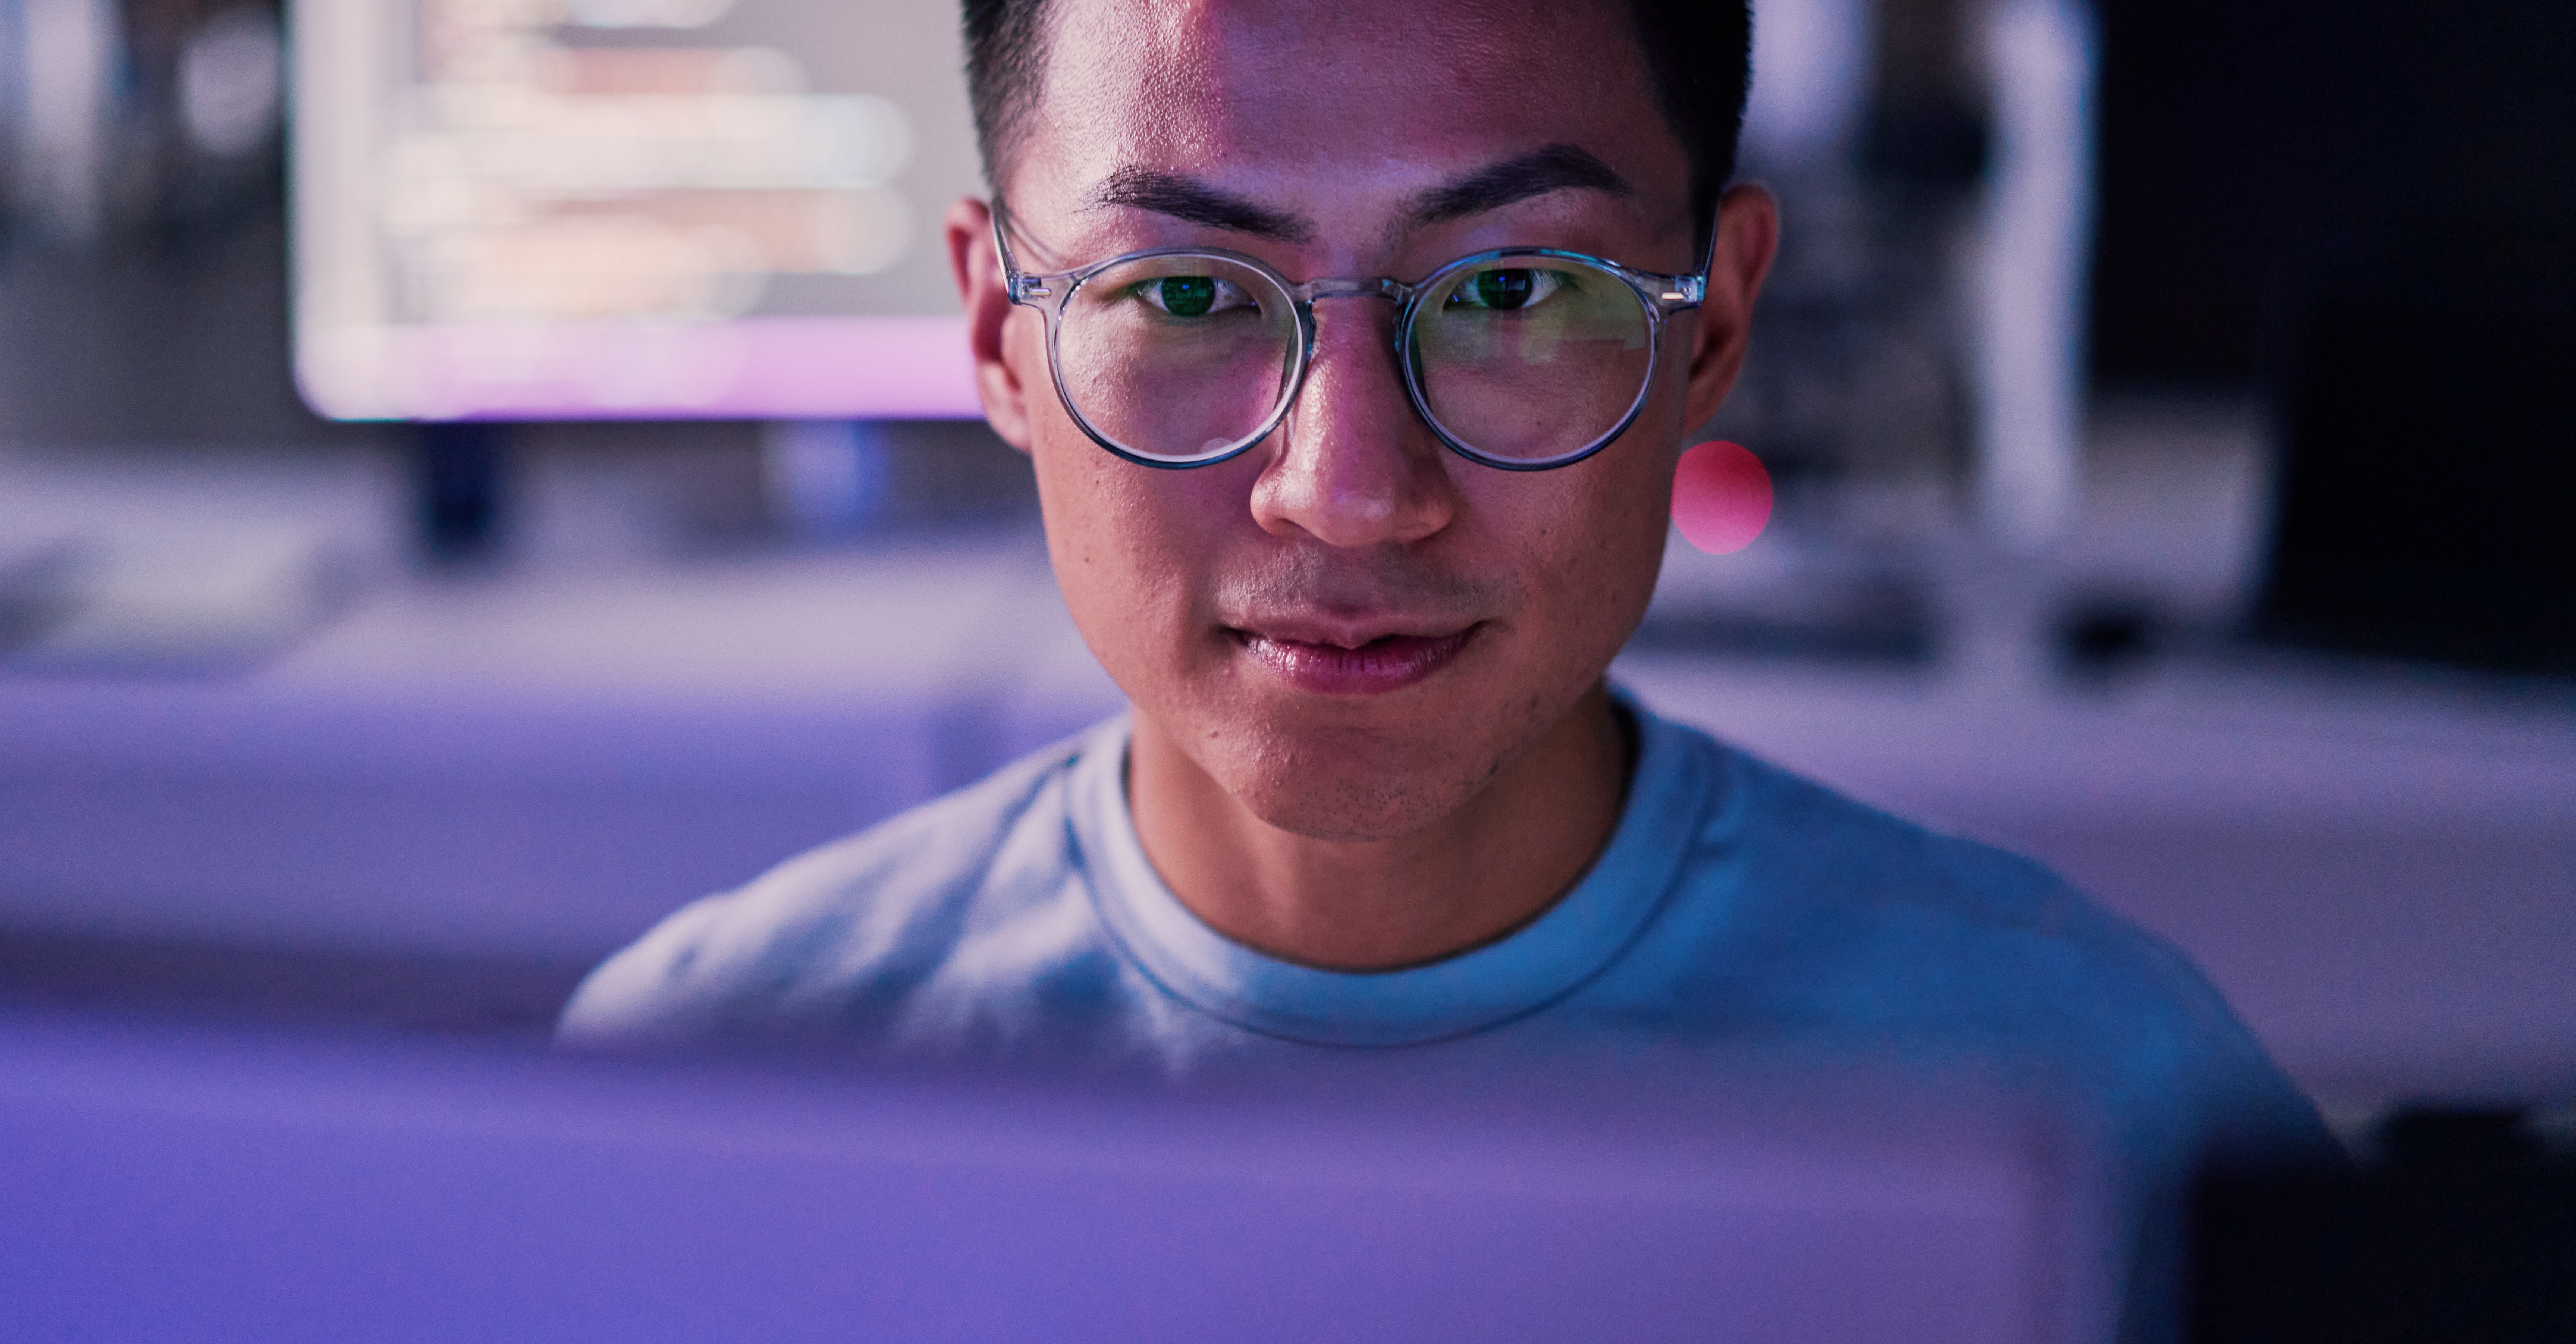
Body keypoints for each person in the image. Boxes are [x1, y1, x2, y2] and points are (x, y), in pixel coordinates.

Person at [562, 0, 2331, 1332]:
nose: (1343, 491)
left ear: (1708, 323)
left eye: (1508, 292)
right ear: (994, 336)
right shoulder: (701, 1094)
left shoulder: (2097, 1104)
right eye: (1183, 296)